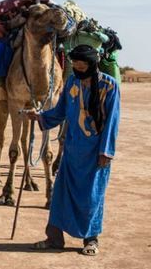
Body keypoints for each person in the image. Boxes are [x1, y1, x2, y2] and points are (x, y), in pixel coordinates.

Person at [27, 44, 120, 256]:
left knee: (91, 198)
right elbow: (60, 111)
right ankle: (54, 238)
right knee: (61, 195)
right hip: (71, 150)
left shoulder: (109, 86)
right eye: (75, 64)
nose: (78, 67)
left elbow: (113, 120)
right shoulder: (71, 82)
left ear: (91, 64)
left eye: (82, 64)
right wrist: (40, 117)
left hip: (96, 155)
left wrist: (106, 151)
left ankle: (91, 240)